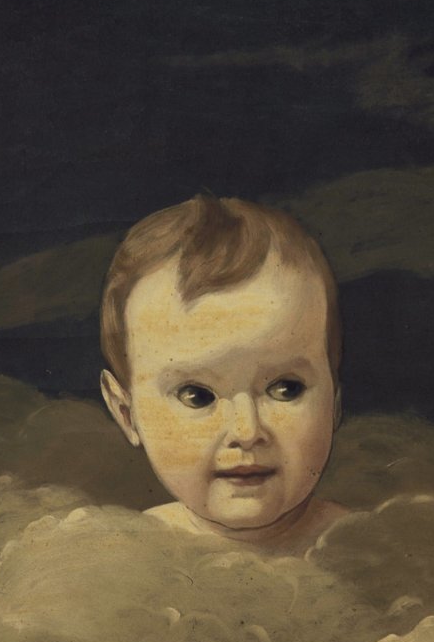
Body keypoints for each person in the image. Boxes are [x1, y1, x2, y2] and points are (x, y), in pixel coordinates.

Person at [99, 194, 349, 554]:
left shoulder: (369, 553)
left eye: (285, 389)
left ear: (334, 402)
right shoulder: (124, 557)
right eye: (197, 396)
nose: (246, 432)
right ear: (127, 413)